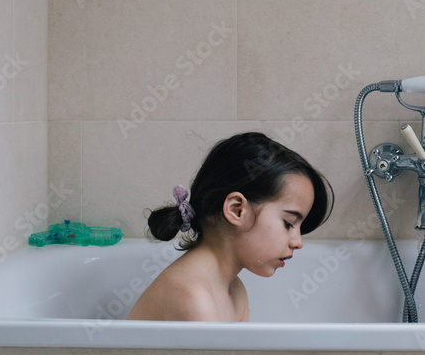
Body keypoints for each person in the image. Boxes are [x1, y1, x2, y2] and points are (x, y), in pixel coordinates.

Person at [128, 132, 332, 322]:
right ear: (236, 210)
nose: (298, 242)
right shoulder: (194, 299)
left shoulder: (235, 289)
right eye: (288, 224)